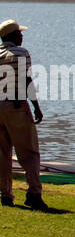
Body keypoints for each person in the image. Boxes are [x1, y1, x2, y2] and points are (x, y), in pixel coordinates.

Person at [0, 19, 46, 211]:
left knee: (3, 153)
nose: (22, 35)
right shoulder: (21, 53)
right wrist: (36, 106)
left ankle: (6, 195)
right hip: (16, 106)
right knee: (30, 152)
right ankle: (34, 193)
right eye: (19, 33)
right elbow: (27, 81)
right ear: (11, 36)